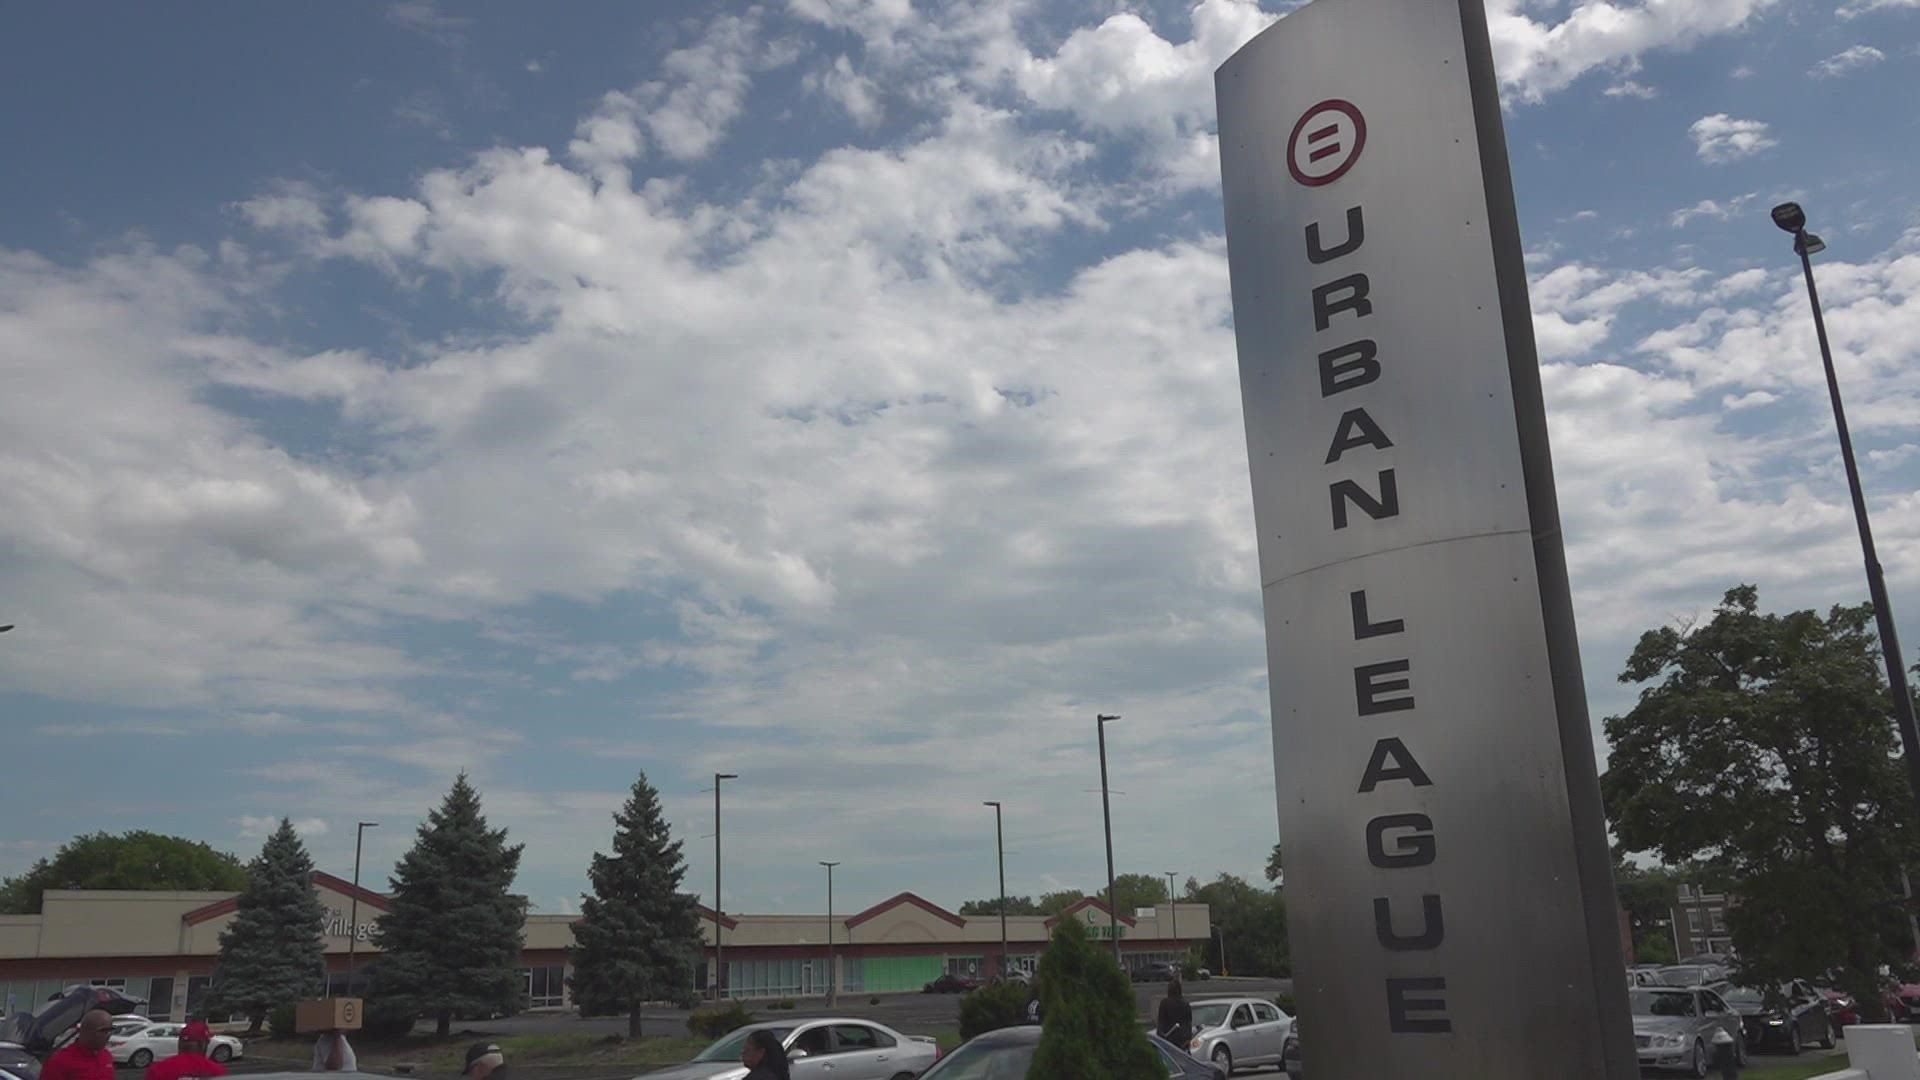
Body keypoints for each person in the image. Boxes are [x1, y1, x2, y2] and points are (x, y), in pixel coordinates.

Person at [41, 1010, 114, 1080]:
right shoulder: (60, 1062)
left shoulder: (106, 1056)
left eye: (110, 1030)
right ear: (86, 1031)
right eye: (104, 1031)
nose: (108, 1035)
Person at [145, 1021, 227, 1080]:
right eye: (208, 1042)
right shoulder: (217, 1071)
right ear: (202, 1044)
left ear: (180, 1043)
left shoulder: (158, 1070)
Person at [1157, 978, 1193, 1047]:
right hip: (1182, 1040)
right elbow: (1188, 1023)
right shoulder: (1185, 1004)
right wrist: (1188, 1038)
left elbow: (1161, 1022)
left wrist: (1161, 1034)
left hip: (1168, 1039)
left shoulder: (1165, 1003)